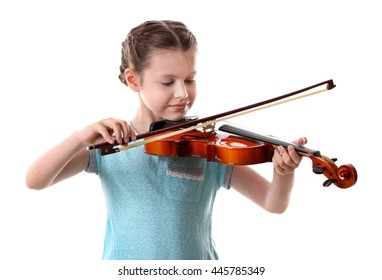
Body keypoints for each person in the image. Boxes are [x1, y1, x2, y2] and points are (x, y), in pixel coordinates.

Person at [26, 20, 306, 260]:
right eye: (168, 82)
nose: (183, 93)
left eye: (190, 79)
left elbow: (273, 203)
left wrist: (284, 173)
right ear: (134, 80)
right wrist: (79, 138)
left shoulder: (207, 148)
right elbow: (36, 180)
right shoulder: (110, 147)